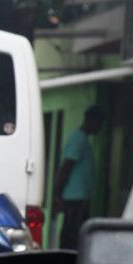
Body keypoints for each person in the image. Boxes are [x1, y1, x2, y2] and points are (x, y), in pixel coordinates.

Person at [53, 105, 105, 249]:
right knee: (72, 237)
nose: (99, 128)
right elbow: (66, 167)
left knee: (78, 235)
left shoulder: (83, 139)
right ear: (91, 121)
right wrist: (57, 195)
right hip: (73, 198)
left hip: (79, 198)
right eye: (99, 124)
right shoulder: (79, 139)